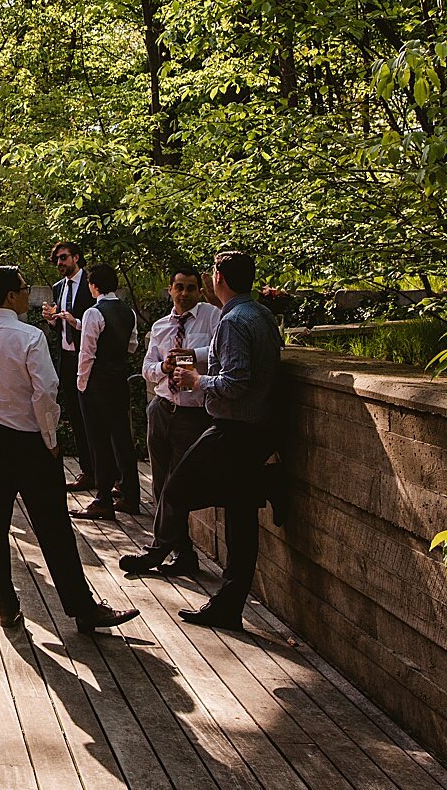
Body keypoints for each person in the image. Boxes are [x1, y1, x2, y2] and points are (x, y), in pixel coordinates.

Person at [0, 266, 139, 634]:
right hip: (29, 439)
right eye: (23, 289)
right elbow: (45, 392)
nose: (29, 295)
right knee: (53, 526)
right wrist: (50, 439)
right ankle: (81, 607)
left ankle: (6, 606)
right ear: (10, 296)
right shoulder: (30, 337)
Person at [120, 250, 283, 632]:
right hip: (257, 428)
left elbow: (235, 380)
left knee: (179, 489)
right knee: (240, 519)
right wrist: (190, 356)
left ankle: (267, 483)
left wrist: (198, 381)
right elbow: (231, 358)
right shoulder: (259, 314)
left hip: (234, 429)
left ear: (218, 279)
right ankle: (229, 605)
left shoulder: (229, 320)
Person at [140, 265, 220, 508]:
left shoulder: (212, 316)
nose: (184, 294)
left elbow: (220, 350)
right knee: (161, 483)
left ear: (199, 292)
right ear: (170, 290)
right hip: (161, 409)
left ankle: (170, 543)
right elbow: (147, 369)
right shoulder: (160, 326)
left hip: (192, 413)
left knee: (180, 484)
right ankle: (170, 542)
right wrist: (163, 367)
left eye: (191, 288)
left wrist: (192, 354)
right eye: (179, 287)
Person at [70, 263, 140, 520]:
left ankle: (102, 499)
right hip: (119, 379)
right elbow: (132, 346)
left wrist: (81, 384)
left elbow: (86, 353)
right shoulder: (127, 311)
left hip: (96, 383)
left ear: (94, 285)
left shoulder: (93, 313)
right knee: (122, 437)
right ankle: (130, 495)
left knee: (98, 441)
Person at [42, 241, 95, 490]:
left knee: (93, 417)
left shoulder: (91, 284)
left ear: (76, 257)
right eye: (57, 260)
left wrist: (77, 322)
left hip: (89, 358)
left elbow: (98, 320)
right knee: (75, 415)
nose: (60, 263)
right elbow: (59, 327)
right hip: (66, 358)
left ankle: (105, 471)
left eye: (64, 258)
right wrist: (52, 320)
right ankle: (87, 470)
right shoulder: (57, 288)